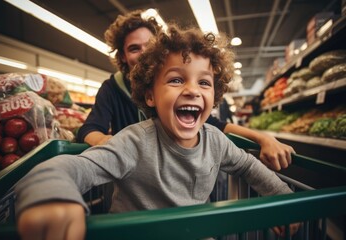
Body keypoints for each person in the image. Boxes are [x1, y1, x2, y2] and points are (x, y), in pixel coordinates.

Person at [16, 24, 299, 240]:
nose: (191, 90)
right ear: (150, 95)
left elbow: (249, 166)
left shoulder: (216, 141)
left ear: (216, 94)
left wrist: (284, 199)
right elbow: (77, 166)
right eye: (176, 79)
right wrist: (52, 193)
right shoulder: (135, 141)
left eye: (204, 83)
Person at [76, 9, 295, 172]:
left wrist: (262, 138)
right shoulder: (112, 88)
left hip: (179, 171)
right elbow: (91, 128)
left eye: (148, 45)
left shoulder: (180, 93)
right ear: (123, 56)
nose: (143, 53)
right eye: (134, 48)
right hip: (135, 174)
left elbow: (217, 126)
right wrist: (113, 146)